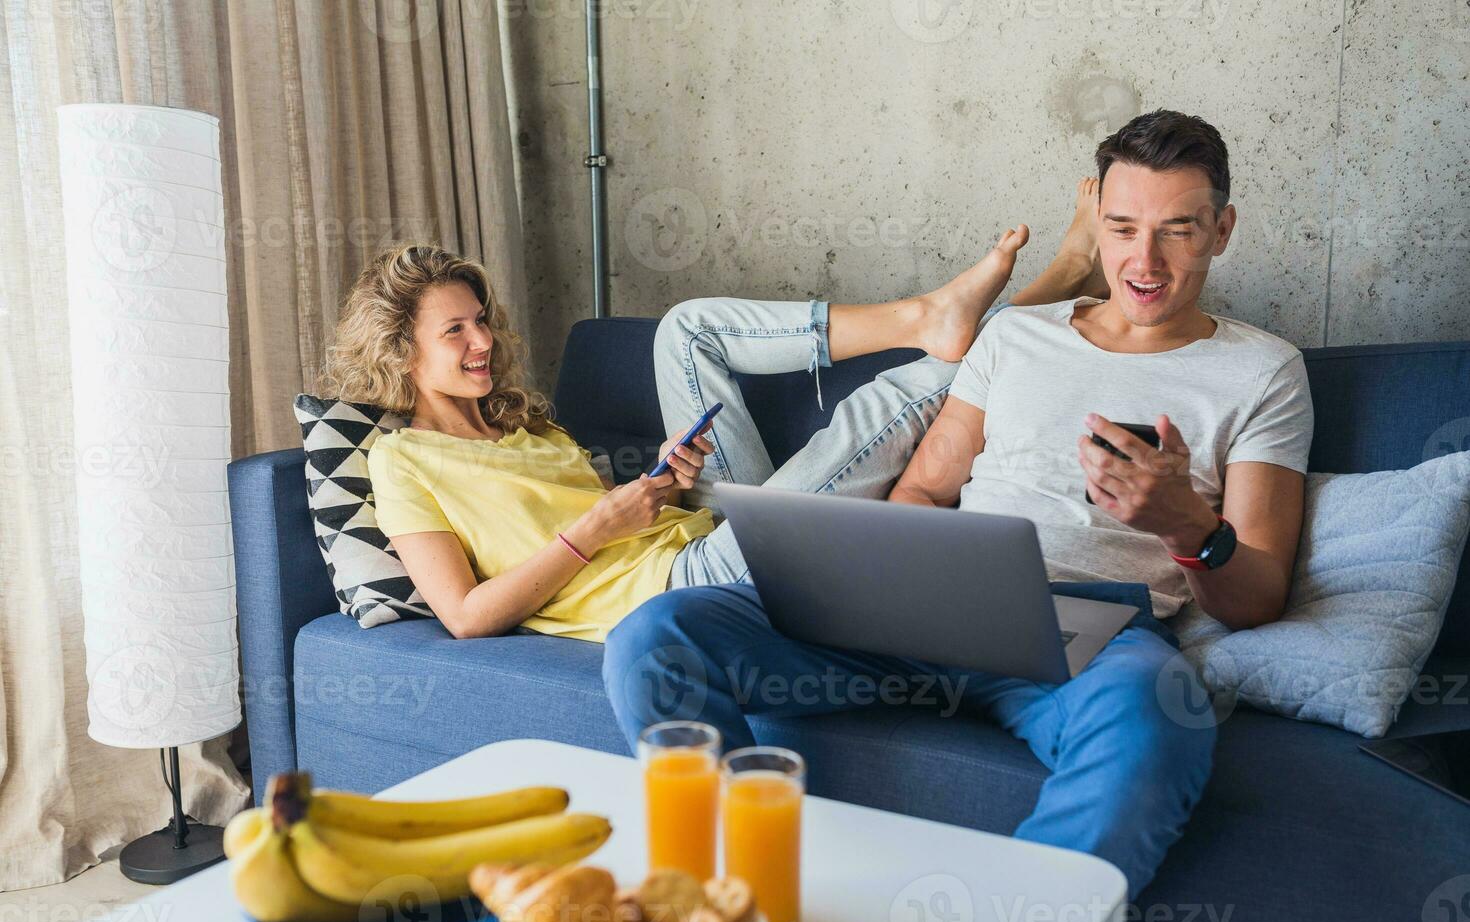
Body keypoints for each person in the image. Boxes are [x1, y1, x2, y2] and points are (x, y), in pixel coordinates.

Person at [602, 109, 1315, 899]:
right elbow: (928, 488)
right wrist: (877, 572)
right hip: (933, 599)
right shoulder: (1016, 338)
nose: (1142, 260)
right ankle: (751, 892)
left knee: (1158, 716)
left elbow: (1257, 595)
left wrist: (1186, 522)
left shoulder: (1264, 371)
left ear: (1222, 230)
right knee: (658, 634)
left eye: (1177, 231)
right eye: (1120, 228)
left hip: (1084, 634)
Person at [319, 196, 1116, 643]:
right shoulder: (402, 462)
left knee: (686, 328)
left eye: (481, 319)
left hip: (698, 533)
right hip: (684, 587)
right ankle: (1056, 282)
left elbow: (618, 514)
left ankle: (922, 316)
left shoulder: (521, 426)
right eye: (454, 331)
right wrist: (600, 522)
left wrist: (663, 481)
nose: (483, 340)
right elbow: (465, 617)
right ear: (401, 351)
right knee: (877, 409)